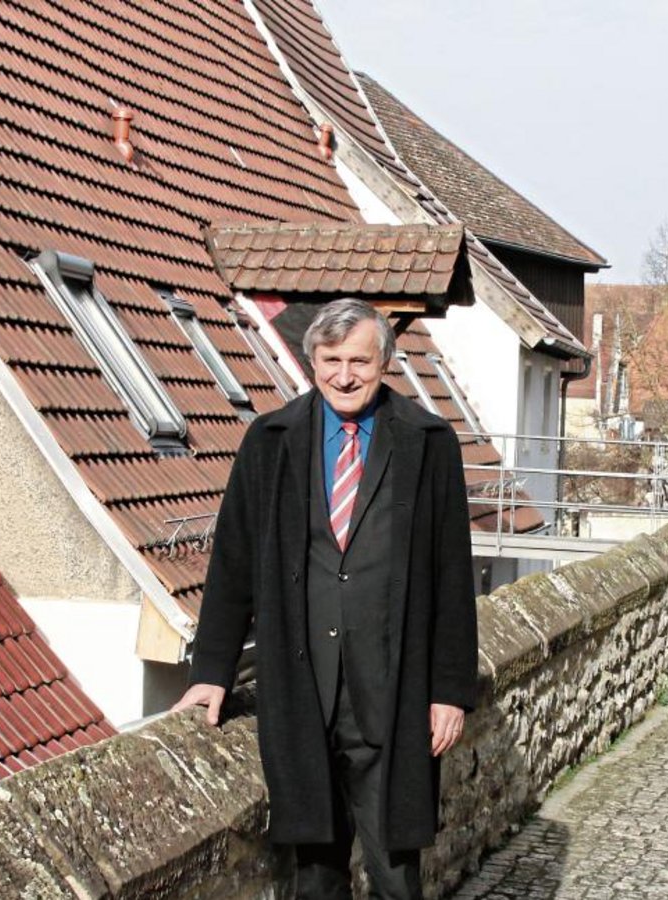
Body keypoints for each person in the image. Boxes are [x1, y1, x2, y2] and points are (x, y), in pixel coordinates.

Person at [172, 298, 478, 900]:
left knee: (396, 874)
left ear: (383, 361)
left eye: (358, 361)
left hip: (393, 694)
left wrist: (449, 690)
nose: (344, 375)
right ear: (311, 359)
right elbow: (234, 563)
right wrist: (212, 671)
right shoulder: (270, 440)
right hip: (302, 692)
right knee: (315, 873)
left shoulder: (427, 442)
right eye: (330, 359)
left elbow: (452, 574)